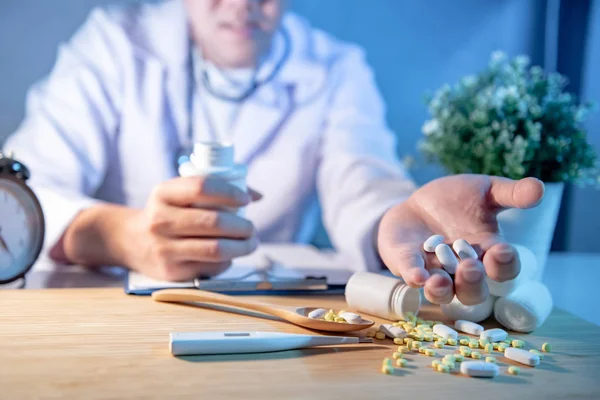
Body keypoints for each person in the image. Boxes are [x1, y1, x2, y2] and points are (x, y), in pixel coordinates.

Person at [3, 0, 543, 306]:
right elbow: (18, 197)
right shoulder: (113, 45)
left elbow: (362, 178)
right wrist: (120, 236)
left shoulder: (335, 69)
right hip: (113, 313)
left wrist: (393, 222)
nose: (241, 6)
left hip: (267, 314)